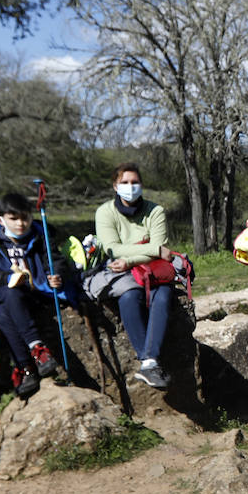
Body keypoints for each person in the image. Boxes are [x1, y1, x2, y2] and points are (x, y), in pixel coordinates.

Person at [0, 192, 69, 399]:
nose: (21, 223)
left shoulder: (41, 233)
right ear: (1, 220)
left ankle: (26, 368)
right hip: (8, 291)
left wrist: (56, 276)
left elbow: (55, 260)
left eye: (25, 217)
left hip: (38, 292)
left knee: (2, 314)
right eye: (14, 218)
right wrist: (7, 277)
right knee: (9, 296)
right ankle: (38, 350)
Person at [95, 163, 173, 389]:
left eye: (135, 182)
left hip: (151, 269)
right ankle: (149, 362)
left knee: (163, 296)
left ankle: (148, 362)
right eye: (125, 183)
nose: (130, 187)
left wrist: (131, 258)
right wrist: (152, 249)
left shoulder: (155, 211)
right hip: (121, 273)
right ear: (115, 186)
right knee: (129, 297)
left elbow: (158, 247)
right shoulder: (105, 212)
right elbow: (111, 249)